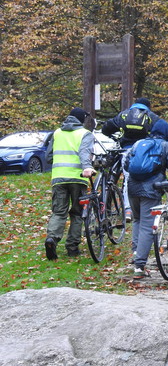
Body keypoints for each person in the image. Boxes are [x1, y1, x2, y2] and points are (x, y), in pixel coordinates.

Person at [123, 120, 168, 279]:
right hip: (152, 189)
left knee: (137, 220)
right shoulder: (166, 145)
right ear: (167, 134)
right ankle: (139, 266)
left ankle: (136, 254)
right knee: (148, 227)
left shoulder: (138, 143)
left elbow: (127, 165)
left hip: (133, 187)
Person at [44, 108, 96, 260]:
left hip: (58, 178)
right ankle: (72, 247)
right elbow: (84, 152)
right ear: (81, 120)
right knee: (77, 213)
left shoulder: (57, 133)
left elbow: (48, 157)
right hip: (78, 178)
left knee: (59, 212)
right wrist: (87, 166)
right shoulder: (85, 134)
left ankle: (52, 239)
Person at [102, 97, 166, 217]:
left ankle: (128, 210)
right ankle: (141, 205)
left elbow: (106, 128)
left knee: (127, 177)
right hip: (144, 151)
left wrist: (116, 137)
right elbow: (163, 131)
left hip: (126, 149)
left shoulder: (124, 115)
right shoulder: (151, 116)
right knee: (145, 176)